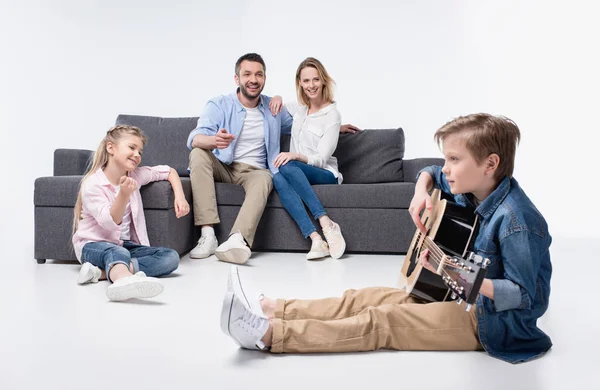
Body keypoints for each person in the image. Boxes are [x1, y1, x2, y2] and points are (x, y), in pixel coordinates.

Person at [219, 113, 553, 364]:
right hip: (454, 293)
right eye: (447, 157)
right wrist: (421, 191)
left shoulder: (518, 221)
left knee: (383, 320)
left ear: (490, 164)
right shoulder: (473, 186)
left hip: (489, 323)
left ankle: (268, 334)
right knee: (365, 297)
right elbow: (432, 172)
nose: (446, 167)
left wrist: (453, 272)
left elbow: (523, 296)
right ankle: (273, 309)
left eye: (454, 159)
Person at [187, 53, 359, 264]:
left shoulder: (274, 110)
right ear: (236, 79)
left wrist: (334, 128)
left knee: (271, 176)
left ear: (264, 79)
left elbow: (313, 131)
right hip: (223, 165)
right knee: (198, 154)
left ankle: (238, 239)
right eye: (247, 74)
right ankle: (208, 236)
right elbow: (194, 139)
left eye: (259, 74)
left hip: (259, 172)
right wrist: (214, 140)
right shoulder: (220, 104)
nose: (253, 79)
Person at [72, 125, 189, 301]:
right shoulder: (93, 184)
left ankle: (101, 273)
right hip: (93, 245)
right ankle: (123, 280)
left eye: (140, 151)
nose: (137, 155)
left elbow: (168, 171)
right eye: (132, 148)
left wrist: (180, 197)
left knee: (170, 257)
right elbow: (110, 222)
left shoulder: (135, 176)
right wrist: (124, 194)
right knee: (118, 252)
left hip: (122, 245)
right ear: (111, 148)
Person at [267, 57, 348, 260]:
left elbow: (321, 159)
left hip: (325, 173)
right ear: (300, 84)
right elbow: (278, 106)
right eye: (306, 81)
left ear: (323, 81)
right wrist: (276, 97)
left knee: (287, 165)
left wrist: (295, 155)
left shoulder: (332, 115)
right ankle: (316, 239)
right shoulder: (299, 110)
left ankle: (326, 222)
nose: (311, 85)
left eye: (315, 80)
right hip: (296, 171)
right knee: (277, 177)